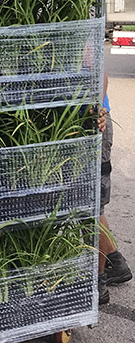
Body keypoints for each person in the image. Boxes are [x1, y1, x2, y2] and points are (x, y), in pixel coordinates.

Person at [97, 75, 132, 305]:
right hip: (80, 124)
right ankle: (114, 261)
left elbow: (100, 72)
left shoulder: (82, 41)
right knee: (89, 208)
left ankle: (98, 283)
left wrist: (98, 110)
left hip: (92, 126)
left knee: (91, 208)